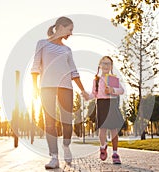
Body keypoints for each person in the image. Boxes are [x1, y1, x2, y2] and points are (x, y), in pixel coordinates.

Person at [31, 16, 87, 169]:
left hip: (66, 87)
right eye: (70, 30)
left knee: (67, 122)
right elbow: (35, 67)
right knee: (49, 123)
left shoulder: (67, 49)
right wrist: (34, 87)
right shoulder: (42, 44)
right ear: (61, 28)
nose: (71, 33)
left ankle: (66, 146)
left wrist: (83, 90)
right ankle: (54, 157)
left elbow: (74, 72)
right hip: (46, 87)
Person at [83, 56, 124, 164]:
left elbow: (121, 90)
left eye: (108, 63)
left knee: (114, 130)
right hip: (101, 104)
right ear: (100, 65)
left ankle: (115, 153)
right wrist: (88, 96)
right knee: (102, 129)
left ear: (111, 66)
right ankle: (103, 146)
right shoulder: (96, 80)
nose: (106, 65)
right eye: (104, 63)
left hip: (112, 104)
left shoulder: (113, 79)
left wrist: (112, 90)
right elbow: (94, 94)